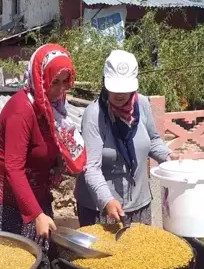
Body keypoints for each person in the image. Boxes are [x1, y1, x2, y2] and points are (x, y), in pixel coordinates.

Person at [0, 43, 86, 240]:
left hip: (34, 183)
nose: (60, 89)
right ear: (40, 78)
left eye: (64, 82)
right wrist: (36, 214)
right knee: (9, 252)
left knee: (41, 243)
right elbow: (13, 167)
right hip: (2, 191)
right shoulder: (22, 110)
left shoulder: (55, 108)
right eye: (54, 82)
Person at [75, 50, 176, 226]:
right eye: (115, 88)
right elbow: (91, 167)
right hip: (102, 208)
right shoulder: (94, 115)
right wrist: (107, 200)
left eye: (125, 89)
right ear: (105, 83)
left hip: (139, 203)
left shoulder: (142, 104)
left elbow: (152, 140)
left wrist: (168, 156)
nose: (120, 94)